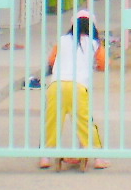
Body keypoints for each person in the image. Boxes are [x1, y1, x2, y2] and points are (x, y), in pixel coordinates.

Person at [41, 14, 107, 171]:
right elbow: (103, 63)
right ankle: (98, 157)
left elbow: (51, 60)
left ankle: (45, 156)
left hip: (56, 85)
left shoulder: (62, 40)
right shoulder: (94, 43)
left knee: (52, 121)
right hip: (78, 86)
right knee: (85, 122)